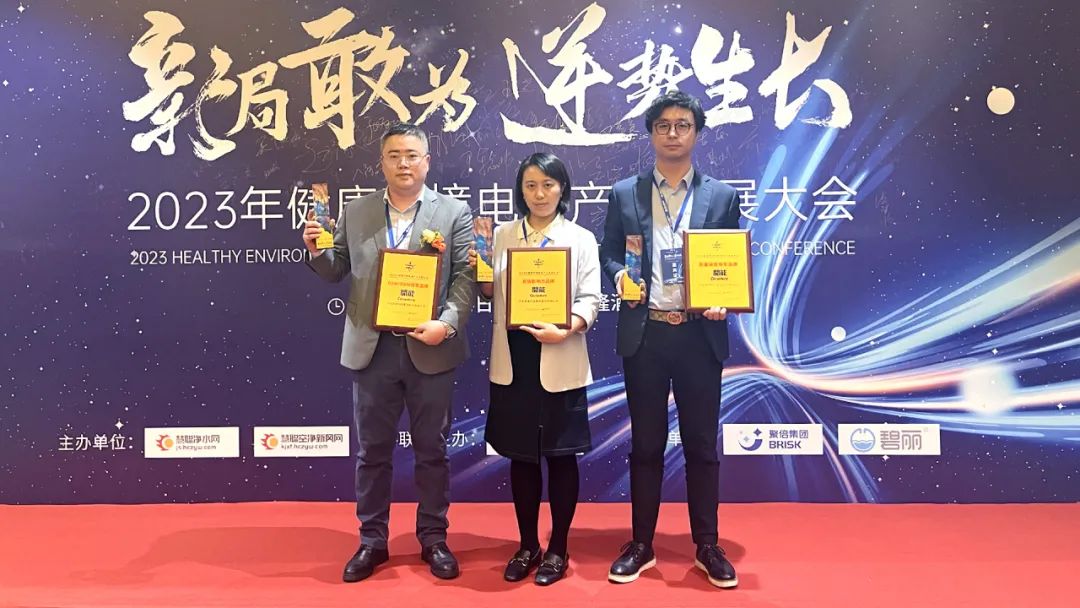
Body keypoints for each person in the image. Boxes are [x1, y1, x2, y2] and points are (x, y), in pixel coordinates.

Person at [302, 122, 475, 583]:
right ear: (381, 163)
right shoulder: (356, 211)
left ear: (427, 162)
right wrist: (317, 251)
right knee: (373, 452)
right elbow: (335, 269)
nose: (403, 163)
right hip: (372, 348)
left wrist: (447, 324)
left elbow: (464, 277)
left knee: (432, 451)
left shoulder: (453, 212)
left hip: (430, 347)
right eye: (394, 155)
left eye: (412, 155)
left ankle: (433, 538)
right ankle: (372, 540)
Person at [598, 91, 741, 588]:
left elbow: (728, 261)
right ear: (651, 134)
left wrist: (723, 297)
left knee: (701, 444)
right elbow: (609, 253)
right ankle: (641, 544)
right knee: (646, 444)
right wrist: (620, 277)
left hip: (701, 335)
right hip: (647, 333)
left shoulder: (722, 196)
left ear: (696, 133)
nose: (673, 133)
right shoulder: (625, 193)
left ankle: (708, 545)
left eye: (683, 125)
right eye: (663, 125)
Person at [470, 152, 601, 585]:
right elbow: (489, 292)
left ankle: (558, 548)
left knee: (562, 458)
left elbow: (590, 298)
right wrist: (479, 269)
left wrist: (568, 328)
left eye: (548, 184)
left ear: (562, 189)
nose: (539, 194)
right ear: (520, 191)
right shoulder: (500, 235)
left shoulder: (581, 238)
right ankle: (528, 545)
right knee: (522, 460)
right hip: (514, 361)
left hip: (560, 354)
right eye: (530, 185)